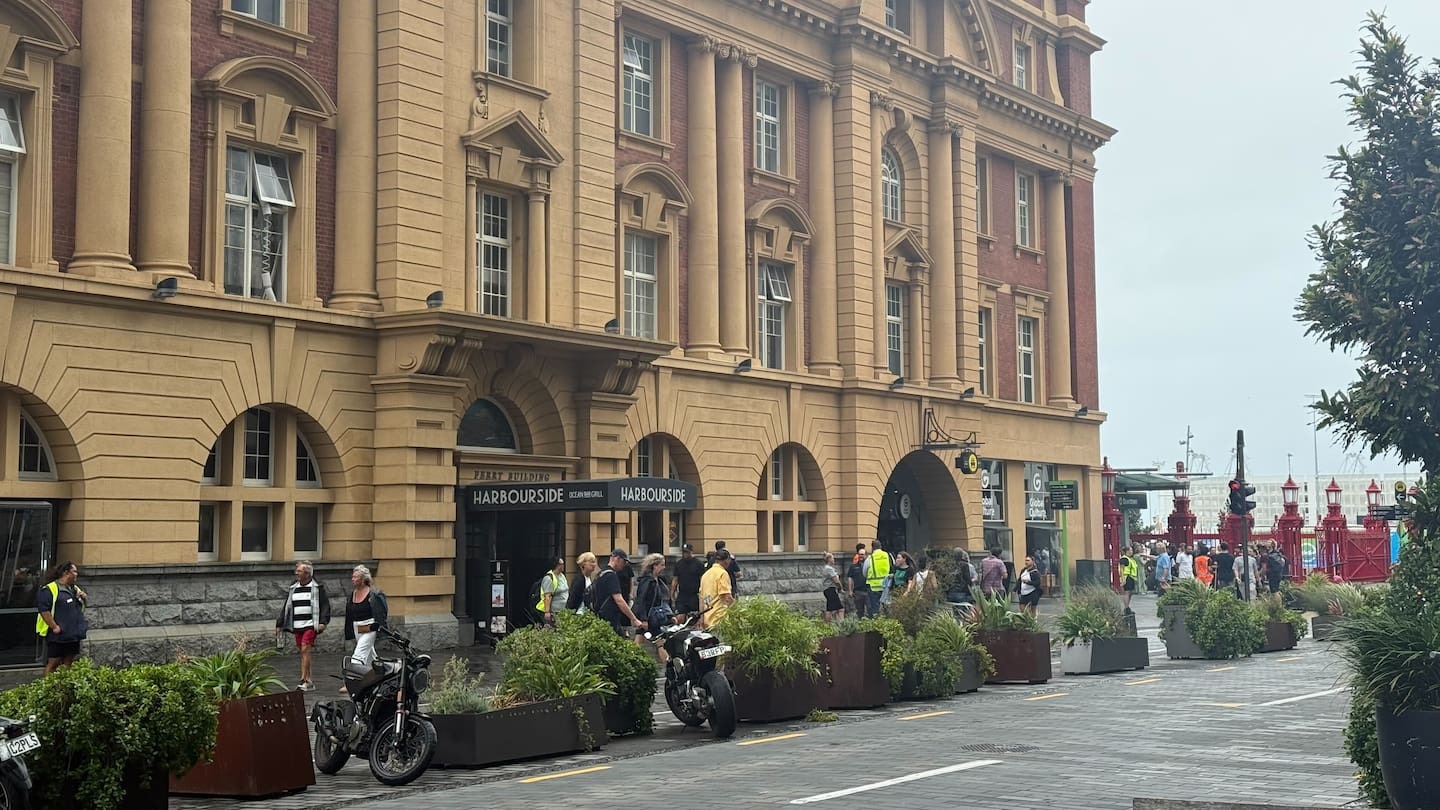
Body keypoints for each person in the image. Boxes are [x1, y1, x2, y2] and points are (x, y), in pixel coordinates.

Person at [275, 560, 330, 691]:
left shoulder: (317, 587)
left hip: (311, 624)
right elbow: (287, 606)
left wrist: (323, 622)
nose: (296, 573)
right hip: (297, 625)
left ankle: (304, 679)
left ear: (307, 573)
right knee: (303, 652)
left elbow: (325, 605)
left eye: (299, 571)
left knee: (306, 648)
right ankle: (309, 680)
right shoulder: (293, 587)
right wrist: (280, 623)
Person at [36, 562, 87, 675]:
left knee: (68, 662)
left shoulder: (74, 589)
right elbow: (44, 610)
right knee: (54, 662)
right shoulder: (49, 589)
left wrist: (84, 599)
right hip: (58, 635)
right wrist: (54, 627)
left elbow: (80, 608)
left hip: (73, 633)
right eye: (74, 571)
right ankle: (48, 687)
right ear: (66, 573)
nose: (76, 574)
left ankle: (63, 687)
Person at [592, 549, 646, 637]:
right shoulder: (611, 576)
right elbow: (619, 600)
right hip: (609, 619)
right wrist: (633, 619)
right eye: (624, 562)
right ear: (617, 559)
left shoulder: (601, 573)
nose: (625, 565)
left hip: (599, 616)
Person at [345, 565, 388, 673]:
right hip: (357, 627)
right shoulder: (353, 593)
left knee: (359, 654)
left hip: (370, 626)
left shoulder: (374, 595)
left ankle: (353, 679)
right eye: (353, 577)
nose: (352, 579)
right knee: (369, 655)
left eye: (355, 577)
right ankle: (380, 674)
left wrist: (380, 627)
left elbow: (382, 612)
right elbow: (349, 612)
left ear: (363, 580)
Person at [632, 554, 673, 649]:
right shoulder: (647, 581)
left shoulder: (659, 580)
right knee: (657, 642)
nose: (664, 567)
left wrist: (670, 615)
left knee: (657, 641)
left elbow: (663, 601)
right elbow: (641, 600)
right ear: (655, 565)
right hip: (648, 616)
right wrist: (643, 619)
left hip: (655, 617)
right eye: (662, 565)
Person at [699, 548, 736, 629]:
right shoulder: (722, 574)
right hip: (719, 619)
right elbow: (727, 597)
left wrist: (701, 619)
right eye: (729, 560)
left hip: (707, 620)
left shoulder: (706, 574)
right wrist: (737, 609)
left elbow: (701, 598)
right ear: (726, 560)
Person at [670, 544, 704, 620]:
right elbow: (675, 579)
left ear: (691, 552)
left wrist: (702, 594)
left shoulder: (699, 564)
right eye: (684, 552)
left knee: (694, 618)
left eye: (687, 552)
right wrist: (672, 593)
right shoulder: (679, 564)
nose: (685, 554)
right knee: (679, 617)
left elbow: (702, 580)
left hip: (694, 595)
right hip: (682, 595)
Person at [535, 555, 568, 626]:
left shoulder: (562, 576)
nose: (563, 566)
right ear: (556, 565)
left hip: (562, 610)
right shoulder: (549, 578)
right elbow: (548, 596)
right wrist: (547, 612)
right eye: (561, 564)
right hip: (554, 611)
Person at [864, 540, 893, 615]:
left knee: (875, 608)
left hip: (873, 587)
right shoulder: (888, 555)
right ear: (881, 546)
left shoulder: (870, 558)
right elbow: (893, 567)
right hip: (886, 586)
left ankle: (877, 622)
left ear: (872, 548)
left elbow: (864, 572)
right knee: (887, 607)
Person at [847, 547, 871, 618]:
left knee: (870, 609)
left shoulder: (870, 565)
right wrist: (850, 590)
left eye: (862, 554)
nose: (861, 556)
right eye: (859, 554)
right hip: (858, 591)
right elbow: (850, 578)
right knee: (859, 611)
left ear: (866, 555)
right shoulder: (853, 566)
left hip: (868, 591)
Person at [820, 552, 844, 621]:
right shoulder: (829, 569)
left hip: (827, 590)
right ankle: (841, 625)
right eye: (833, 558)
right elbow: (836, 580)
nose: (834, 560)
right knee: (840, 609)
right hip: (831, 590)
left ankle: (828, 626)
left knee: (829, 609)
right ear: (829, 559)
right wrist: (841, 588)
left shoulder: (826, 568)